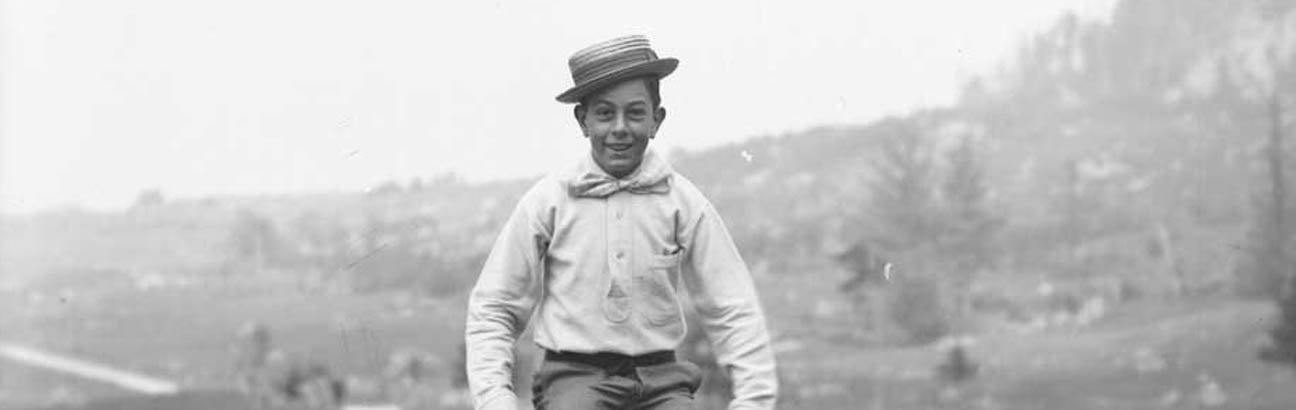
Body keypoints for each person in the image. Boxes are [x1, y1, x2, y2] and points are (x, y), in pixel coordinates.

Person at [464, 35, 778, 410]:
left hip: (662, 383)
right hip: (574, 382)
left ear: (656, 120)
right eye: (604, 113)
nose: (619, 128)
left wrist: (754, 401)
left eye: (635, 113)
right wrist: (494, 399)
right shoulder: (549, 201)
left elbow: (732, 304)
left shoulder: (682, 202)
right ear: (583, 120)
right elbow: (494, 307)